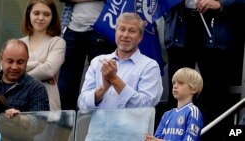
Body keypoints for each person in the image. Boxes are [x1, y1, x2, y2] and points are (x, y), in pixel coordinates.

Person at [163, 0, 245, 140]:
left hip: (216, 28)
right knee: (178, 92)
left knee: (216, 96)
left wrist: (220, 3)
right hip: (179, 26)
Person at [77, 12, 163, 110]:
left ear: (140, 38)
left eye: (132, 31)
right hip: (99, 125)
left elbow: (145, 105)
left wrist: (114, 79)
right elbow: (82, 103)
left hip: (131, 125)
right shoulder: (98, 62)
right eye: (122, 29)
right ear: (115, 32)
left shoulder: (150, 66)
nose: (125, 35)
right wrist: (103, 88)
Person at [58, 0, 117, 110]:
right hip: (72, 29)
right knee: (65, 88)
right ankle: (67, 125)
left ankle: (97, 125)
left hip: (101, 30)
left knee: (102, 83)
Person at [20, 0, 66, 111]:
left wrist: (18, 77)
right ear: (29, 14)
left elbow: (49, 70)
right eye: (36, 13)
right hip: (20, 102)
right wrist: (38, 64)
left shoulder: (58, 42)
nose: (41, 18)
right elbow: (5, 69)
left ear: (52, 17)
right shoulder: (19, 43)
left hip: (47, 103)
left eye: (46, 14)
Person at [145, 67, 204, 141]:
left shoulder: (193, 111)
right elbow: (157, 138)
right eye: (174, 83)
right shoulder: (167, 114)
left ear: (193, 89)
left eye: (181, 83)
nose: (175, 86)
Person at [0, 38, 50, 111]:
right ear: (1, 58)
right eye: (10, 61)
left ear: (27, 60)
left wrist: (21, 118)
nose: (14, 67)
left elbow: (40, 120)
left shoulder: (36, 88)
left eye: (20, 62)